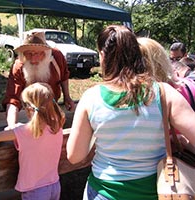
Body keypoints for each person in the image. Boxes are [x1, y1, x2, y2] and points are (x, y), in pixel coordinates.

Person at [66, 25, 195, 200]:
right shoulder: (164, 93)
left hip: (103, 192)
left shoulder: (91, 97)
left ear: (103, 56)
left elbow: (75, 156)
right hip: (154, 192)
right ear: (136, 53)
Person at [0, 82, 65, 200]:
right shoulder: (57, 127)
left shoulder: (23, 131)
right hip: (54, 185)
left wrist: (13, 128)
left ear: (29, 109)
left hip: (34, 190)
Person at [2, 31, 75, 129]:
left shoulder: (57, 57)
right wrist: (12, 126)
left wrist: (67, 97)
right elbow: (12, 99)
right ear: (23, 54)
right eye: (29, 54)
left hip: (52, 108)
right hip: (29, 112)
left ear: (45, 53)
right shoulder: (18, 67)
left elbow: (64, 76)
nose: (33, 59)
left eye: (37, 53)